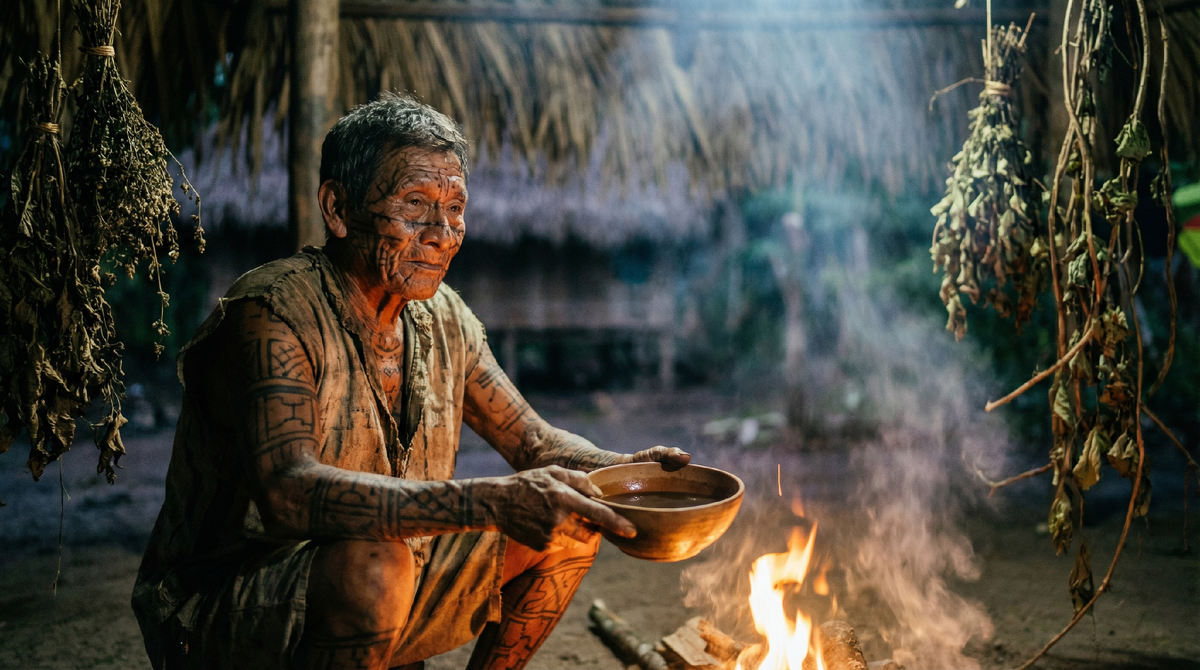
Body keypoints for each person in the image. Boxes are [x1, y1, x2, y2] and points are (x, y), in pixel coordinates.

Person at [131, 92, 689, 670]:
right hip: (221, 613)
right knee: (376, 567)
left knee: (568, 519)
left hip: (377, 578)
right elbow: (287, 493)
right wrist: (489, 501)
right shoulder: (270, 315)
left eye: (454, 208)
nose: (443, 232)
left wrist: (623, 471)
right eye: (415, 203)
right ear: (338, 209)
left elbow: (535, 444)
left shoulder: (443, 316)